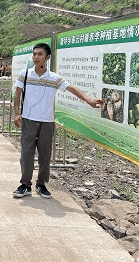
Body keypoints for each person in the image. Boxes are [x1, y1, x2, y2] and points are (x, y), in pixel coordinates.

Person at [12, 43, 103, 199]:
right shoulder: (25, 74)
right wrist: (16, 114)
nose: (36, 57)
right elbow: (17, 94)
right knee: (26, 153)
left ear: (47, 58)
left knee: (45, 155)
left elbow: (71, 88)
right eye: (34, 54)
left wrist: (88, 100)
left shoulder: (53, 78)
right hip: (28, 120)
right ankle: (25, 185)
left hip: (47, 122)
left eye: (40, 54)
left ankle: (41, 184)